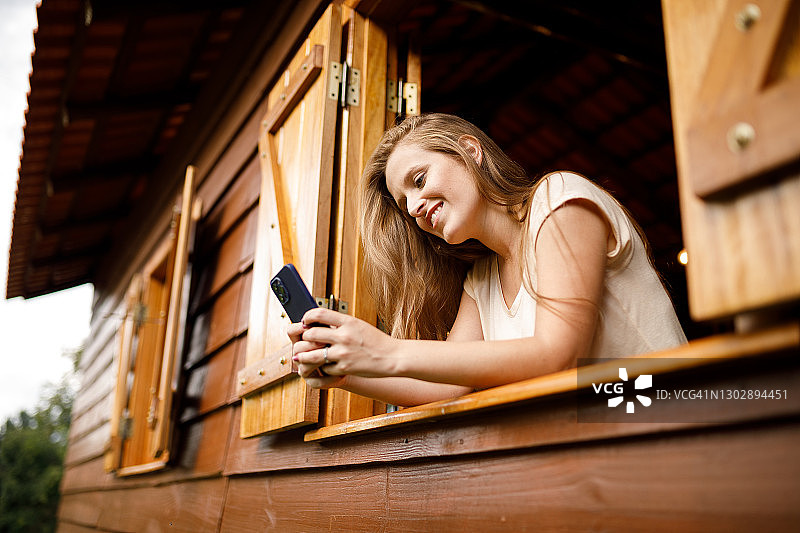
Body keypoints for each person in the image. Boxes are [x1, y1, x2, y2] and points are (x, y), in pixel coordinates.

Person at [288, 113, 686, 407]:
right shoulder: (481, 279)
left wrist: (385, 350)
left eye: (420, 180)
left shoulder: (558, 197)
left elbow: (557, 355)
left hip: (675, 419)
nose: (413, 207)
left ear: (470, 151)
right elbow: (448, 386)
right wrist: (343, 371)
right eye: (404, 202)